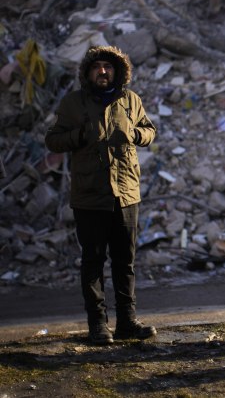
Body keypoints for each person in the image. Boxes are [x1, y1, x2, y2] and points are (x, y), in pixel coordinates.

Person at [45, 46, 157, 345]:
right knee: (93, 263)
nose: (103, 72)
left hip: (126, 194)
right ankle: (98, 325)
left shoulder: (130, 100)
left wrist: (135, 134)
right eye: (97, 68)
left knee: (125, 262)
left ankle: (127, 323)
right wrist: (80, 135)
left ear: (118, 71)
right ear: (88, 72)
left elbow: (149, 131)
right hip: (90, 196)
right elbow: (53, 140)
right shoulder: (73, 103)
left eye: (108, 67)